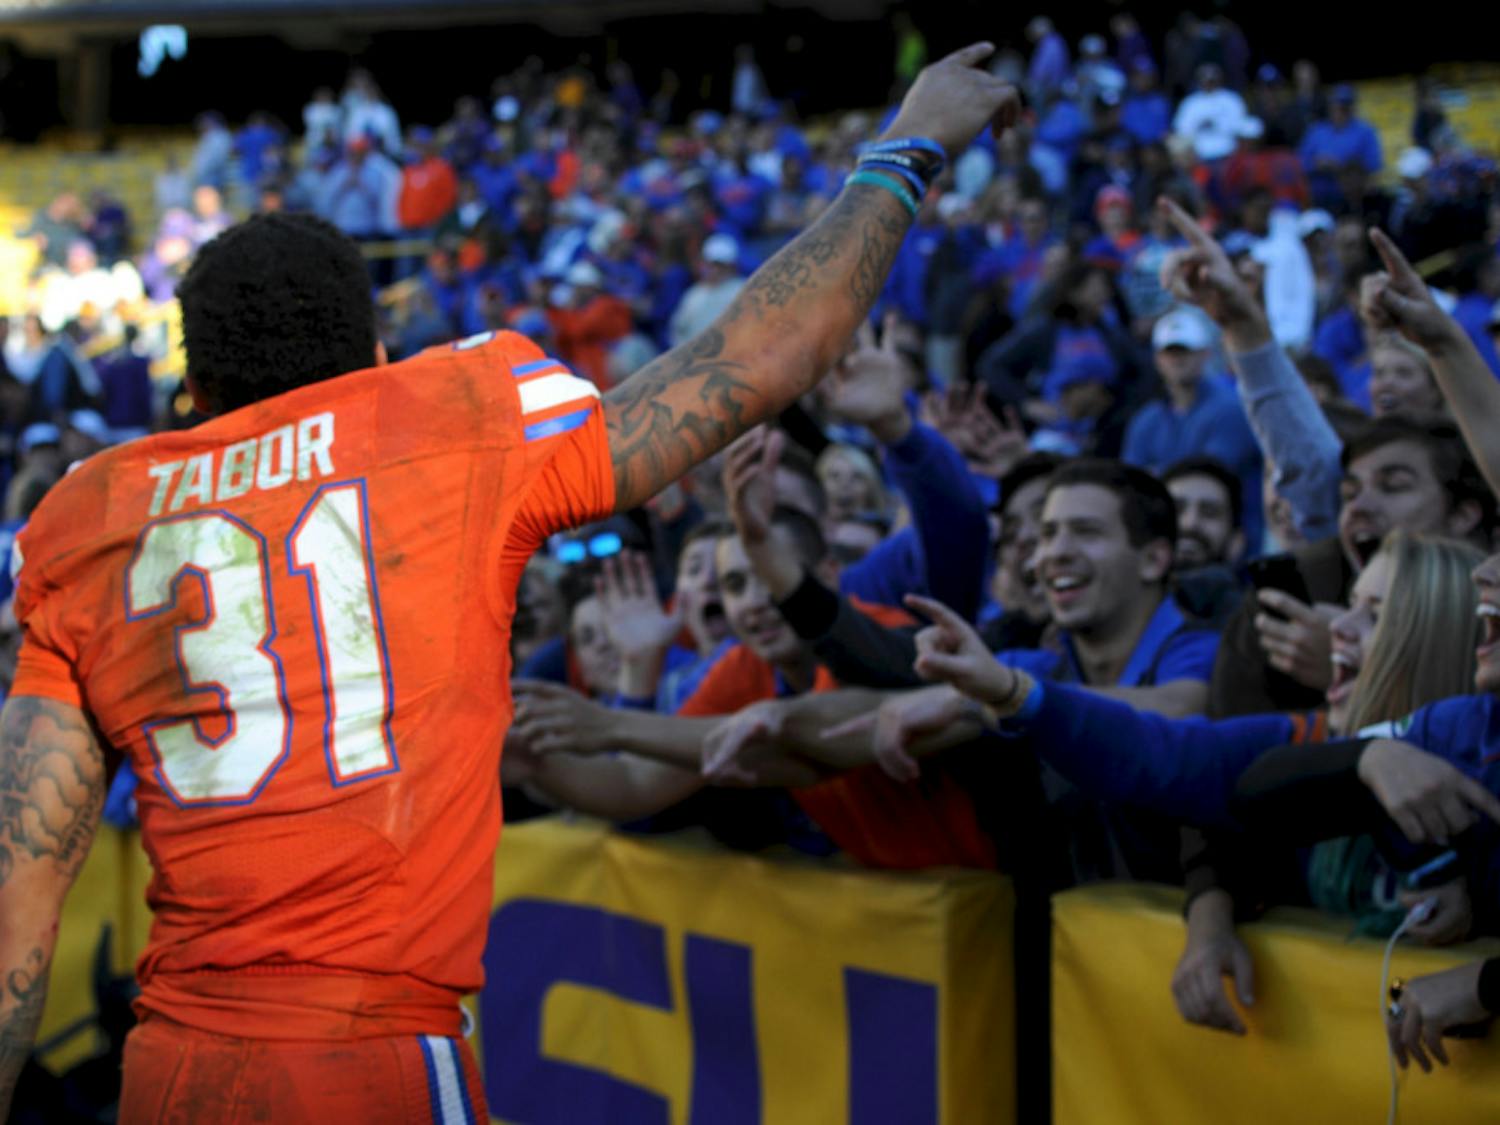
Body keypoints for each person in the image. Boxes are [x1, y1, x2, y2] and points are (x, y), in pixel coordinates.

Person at [0, 45, 1021, 1121]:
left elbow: (21, 884)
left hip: (177, 1066)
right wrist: (906, 151)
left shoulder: (88, 513)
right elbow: (761, 354)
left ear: (194, 392)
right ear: (378, 353)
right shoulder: (456, 413)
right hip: (374, 1053)